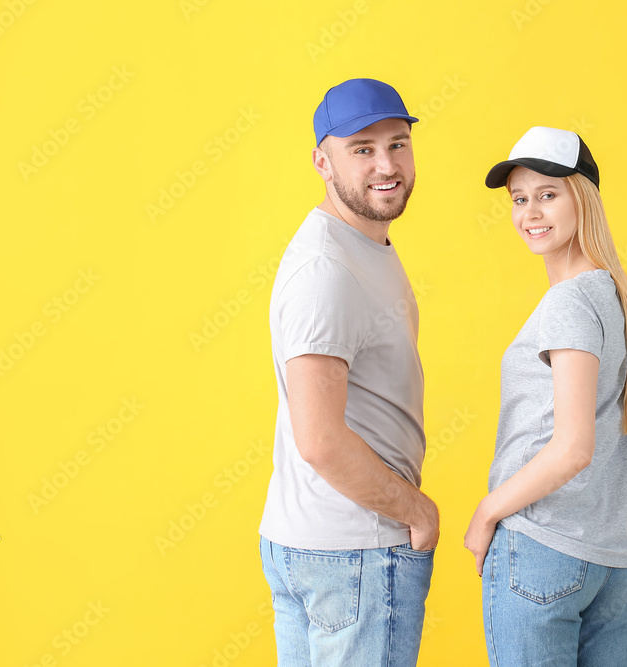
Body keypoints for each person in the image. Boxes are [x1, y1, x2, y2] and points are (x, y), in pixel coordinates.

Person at [464, 126, 627, 666]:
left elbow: (573, 449)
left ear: (584, 199)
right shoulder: (615, 297)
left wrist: (487, 511)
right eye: (519, 199)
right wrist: (604, 487)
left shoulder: (569, 302)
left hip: (542, 549)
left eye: (548, 194)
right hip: (616, 565)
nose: (531, 213)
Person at [258, 78, 439, 667]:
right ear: (321, 160)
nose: (386, 165)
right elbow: (320, 440)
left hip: (328, 549)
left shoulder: (363, 245)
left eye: (398, 143)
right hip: (354, 553)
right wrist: (415, 509)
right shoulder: (326, 269)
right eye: (361, 149)